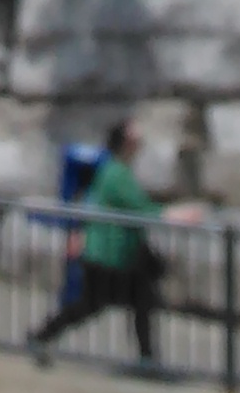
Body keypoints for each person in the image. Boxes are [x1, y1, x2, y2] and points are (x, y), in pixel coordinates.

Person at [31, 115, 165, 369]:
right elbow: (141, 208)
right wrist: (174, 215)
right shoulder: (116, 173)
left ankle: (148, 358)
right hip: (106, 254)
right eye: (135, 137)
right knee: (91, 303)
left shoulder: (118, 170)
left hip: (119, 254)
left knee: (140, 301)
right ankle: (41, 335)